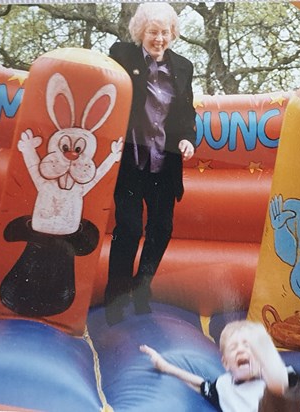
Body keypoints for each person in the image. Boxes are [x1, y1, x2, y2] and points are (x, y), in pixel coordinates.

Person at [105, 3, 196, 323]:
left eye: (165, 32)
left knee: (161, 229)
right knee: (128, 228)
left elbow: (188, 112)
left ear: (173, 34)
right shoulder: (123, 55)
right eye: (153, 32)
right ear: (140, 32)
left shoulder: (183, 66)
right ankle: (115, 298)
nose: (159, 38)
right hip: (131, 162)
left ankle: (141, 288)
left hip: (165, 162)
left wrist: (188, 138)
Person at [141, 288, 300, 412]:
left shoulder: (292, 378)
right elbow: (198, 384)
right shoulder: (222, 387)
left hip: (288, 391)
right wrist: (166, 366)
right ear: (225, 364)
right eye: (234, 348)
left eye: (248, 346)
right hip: (279, 392)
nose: (241, 351)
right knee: (279, 395)